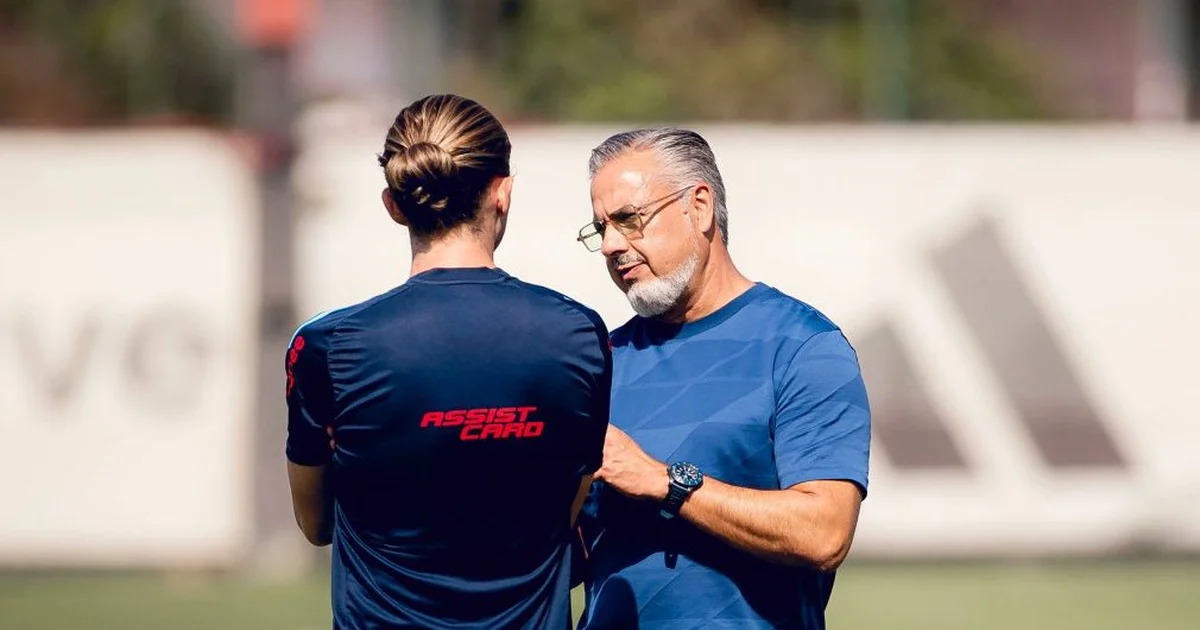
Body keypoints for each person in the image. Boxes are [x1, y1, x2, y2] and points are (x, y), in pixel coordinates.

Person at [284, 94, 612, 630]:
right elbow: (566, 511)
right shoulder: (578, 333)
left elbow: (317, 523)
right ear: (503, 193)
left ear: (393, 204)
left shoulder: (326, 345)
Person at [573, 127, 871, 630]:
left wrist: (666, 484)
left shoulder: (803, 347)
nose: (609, 245)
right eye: (599, 227)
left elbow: (825, 533)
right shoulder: (599, 359)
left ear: (700, 207)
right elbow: (572, 553)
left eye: (628, 219)